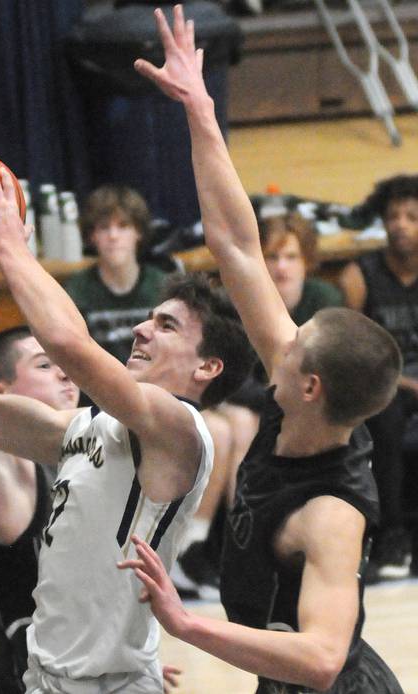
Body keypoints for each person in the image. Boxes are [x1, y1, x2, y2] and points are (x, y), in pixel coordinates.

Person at [119, 7, 404, 693]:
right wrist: (200, 109)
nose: (282, 334)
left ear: (310, 386)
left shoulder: (330, 515)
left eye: (296, 343)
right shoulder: (303, 398)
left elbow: (321, 660)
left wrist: (186, 625)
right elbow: (237, 245)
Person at [0, 161, 253, 690]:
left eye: (165, 325)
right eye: (149, 317)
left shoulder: (182, 430)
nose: (140, 328)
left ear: (207, 367)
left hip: (111, 684)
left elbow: (69, 345)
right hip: (48, 677)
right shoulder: (85, 427)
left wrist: (10, 246)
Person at [172, 212, 345, 598]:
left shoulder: (325, 300)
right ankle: (225, 544)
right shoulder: (238, 300)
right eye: (271, 257)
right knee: (239, 423)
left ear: (307, 262)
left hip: (300, 405)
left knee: (248, 421)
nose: (281, 267)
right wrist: (280, 397)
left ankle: (245, 546)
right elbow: (231, 376)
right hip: (240, 399)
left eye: (290, 257)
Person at [337, 174, 418, 581]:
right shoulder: (360, 274)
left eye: (411, 216)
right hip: (384, 383)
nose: (400, 224)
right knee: (384, 418)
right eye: (393, 216)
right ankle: (391, 538)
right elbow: (353, 348)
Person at [65, 184, 171, 365]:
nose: (113, 236)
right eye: (104, 228)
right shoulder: (76, 290)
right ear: (92, 236)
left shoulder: (163, 285)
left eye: (123, 226)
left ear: (138, 232)